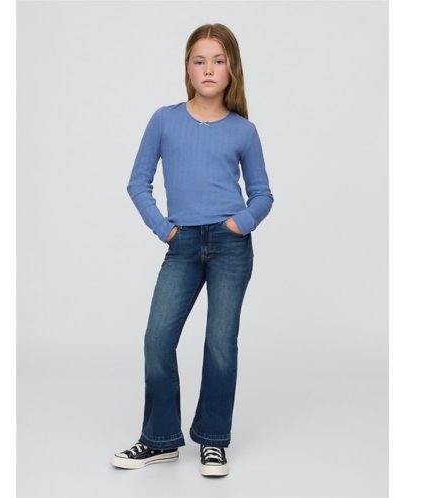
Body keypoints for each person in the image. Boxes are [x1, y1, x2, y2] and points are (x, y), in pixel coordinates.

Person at [110, 23, 274, 478]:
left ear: (231, 68)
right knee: (157, 339)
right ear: (187, 67)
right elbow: (137, 183)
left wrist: (239, 224)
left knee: (220, 343)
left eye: (218, 61)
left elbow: (262, 195)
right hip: (182, 245)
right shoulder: (164, 120)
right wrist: (165, 230)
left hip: (230, 247)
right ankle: (159, 439)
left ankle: (213, 440)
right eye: (199, 60)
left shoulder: (244, 130)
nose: (208, 69)